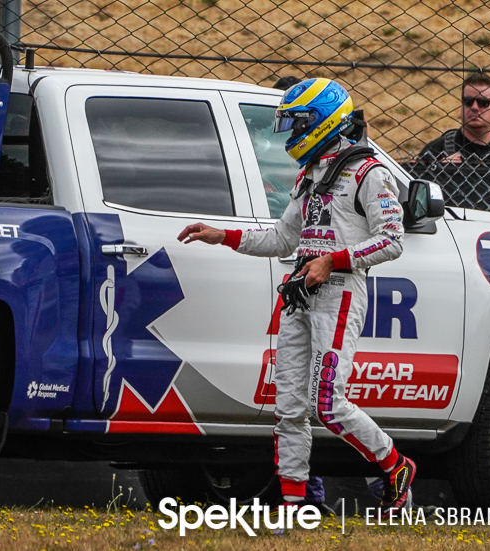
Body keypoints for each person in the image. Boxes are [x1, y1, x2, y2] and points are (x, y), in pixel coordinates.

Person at [178, 78, 416, 512]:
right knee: (288, 407)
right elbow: (283, 239)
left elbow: (393, 240)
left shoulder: (370, 171)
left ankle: (395, 464)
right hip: (298, 297)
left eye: (298, 122)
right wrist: (221, 235)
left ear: (324, 119)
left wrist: (334, 261)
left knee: (326, 403)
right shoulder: (310, 174)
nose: (290, 134)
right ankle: (294, 506)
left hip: (339, 293)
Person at [414, 72, 490, 217]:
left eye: (483, 103)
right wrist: (437, 173)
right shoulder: (436, 150)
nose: (475, 107)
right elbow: (416, 200)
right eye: (468, 102)